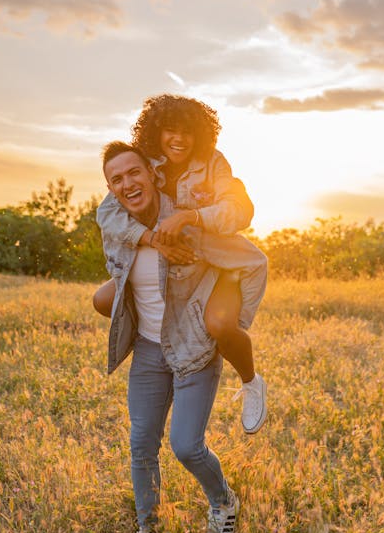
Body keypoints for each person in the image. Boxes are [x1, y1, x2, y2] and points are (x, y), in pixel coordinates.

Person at [100, 141, 267, 533]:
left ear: (152, 174)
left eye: (133, 173)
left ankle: (224, 504)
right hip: (149, 352)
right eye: (116, 179)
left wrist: (231, 326)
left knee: (187, 446)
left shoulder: (188, 226)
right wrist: (151, 238)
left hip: (192, 347)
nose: (127, 183)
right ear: (110, 188)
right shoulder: (118, 225)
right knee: (141, 444)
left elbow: (253, 259)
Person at [95, 94, 268, 434]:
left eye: (188, 132)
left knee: (218, 324)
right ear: (156, 132)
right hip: (169, 264)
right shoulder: (143, 161)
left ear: (201, 135)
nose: (179, 139)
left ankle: (251, 381)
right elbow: (108, 212)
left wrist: (192, 216)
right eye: (170, 130)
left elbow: (240, 210)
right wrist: (151, 239)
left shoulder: (214, 164)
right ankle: (162, 353)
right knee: (103, 300)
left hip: (216, 263)